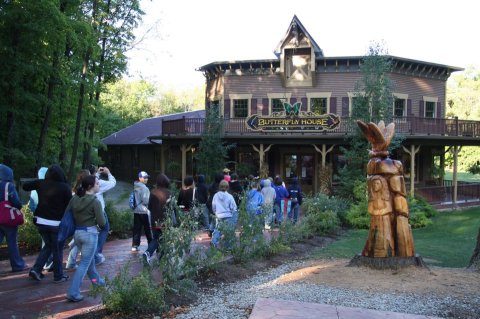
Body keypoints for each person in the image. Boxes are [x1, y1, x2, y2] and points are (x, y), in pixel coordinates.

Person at [23, 164, 71, 283]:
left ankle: (36, 269)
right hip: (55, 224)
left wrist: (39, 182)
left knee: (49, 246)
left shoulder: (41, 183)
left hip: (40, 221)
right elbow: (69, 205)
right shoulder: (65, 187)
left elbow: (25, 186)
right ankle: (58, 276)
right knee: (56, 250)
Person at [66, 175, 106, 302]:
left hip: (77, 233)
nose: (99, 185)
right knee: (84, 264)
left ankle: (97, 282)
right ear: (90, 186)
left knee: (89, 264)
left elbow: (68, 214)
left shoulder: (75, 199)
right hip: (90, 235)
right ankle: (73, 292)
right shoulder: (95, 201)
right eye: (97, 183)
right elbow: (102, 222)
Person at [0, 164, 28, 272]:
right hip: (8, 218)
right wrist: (19, 207)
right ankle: (17, 265)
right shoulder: (8, 186)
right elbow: (16, 202)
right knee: (12, 242)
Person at [142, 173, 172, 266]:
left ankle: (161, 257)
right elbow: (172, 208)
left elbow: (149, 207)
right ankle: (148, 253)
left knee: (157, 238)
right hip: (165, 220)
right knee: (161, 239)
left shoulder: (152, 192)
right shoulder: (169, 193)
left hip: (154, 220)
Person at [28, 167, 54, 272]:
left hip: (39, 219)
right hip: (50, 219)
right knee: (49, 242)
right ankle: (47, 263)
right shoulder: (51, 187)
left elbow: (31, 205)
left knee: (46, 241)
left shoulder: (35, 188)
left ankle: (47, 262)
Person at [66, 169, 91, 269]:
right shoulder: (84, 191)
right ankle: (71, 262)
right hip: (83, 219)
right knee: (80, 240)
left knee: (79, 239)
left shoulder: (74, 189)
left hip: (75, 217)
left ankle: (72, 259)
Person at [91, 166, 116, 265]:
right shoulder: (97, 183)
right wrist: (108, 173)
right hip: (99, 210)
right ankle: (96, 254)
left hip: (87, 211)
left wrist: (96, 174)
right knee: (105, 228)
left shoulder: (83, 181)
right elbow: (112, 183)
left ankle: (73, 259)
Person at [211, 180, 237, 249]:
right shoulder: (229, 196)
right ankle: (228, 247)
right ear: (227, 187)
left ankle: (214, 243)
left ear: (219, 187)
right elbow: (234, 207)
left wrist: (215, 212)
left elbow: (213, 206)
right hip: (228, 215)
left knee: (217, 230)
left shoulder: (215, 195)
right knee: (228, 231)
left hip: (219, 215)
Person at [131, 171, 152, 252]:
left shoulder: (135, 186)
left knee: (136, 229)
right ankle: (151, 243)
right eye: (145, 177)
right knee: (148, 228)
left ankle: (134, 245)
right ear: (140, 178)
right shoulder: (145, 188)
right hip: (144, 211)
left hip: (136, 211)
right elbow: (146, 201)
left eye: (147, 177)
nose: (146, 179)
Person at [206, 172, 224, 236]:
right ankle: (216, 232)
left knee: (214, 218)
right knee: (217, 219)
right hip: (217, 204)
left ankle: (211, 230)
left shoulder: (211, 185)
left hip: (210, 203)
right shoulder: (220, 187)